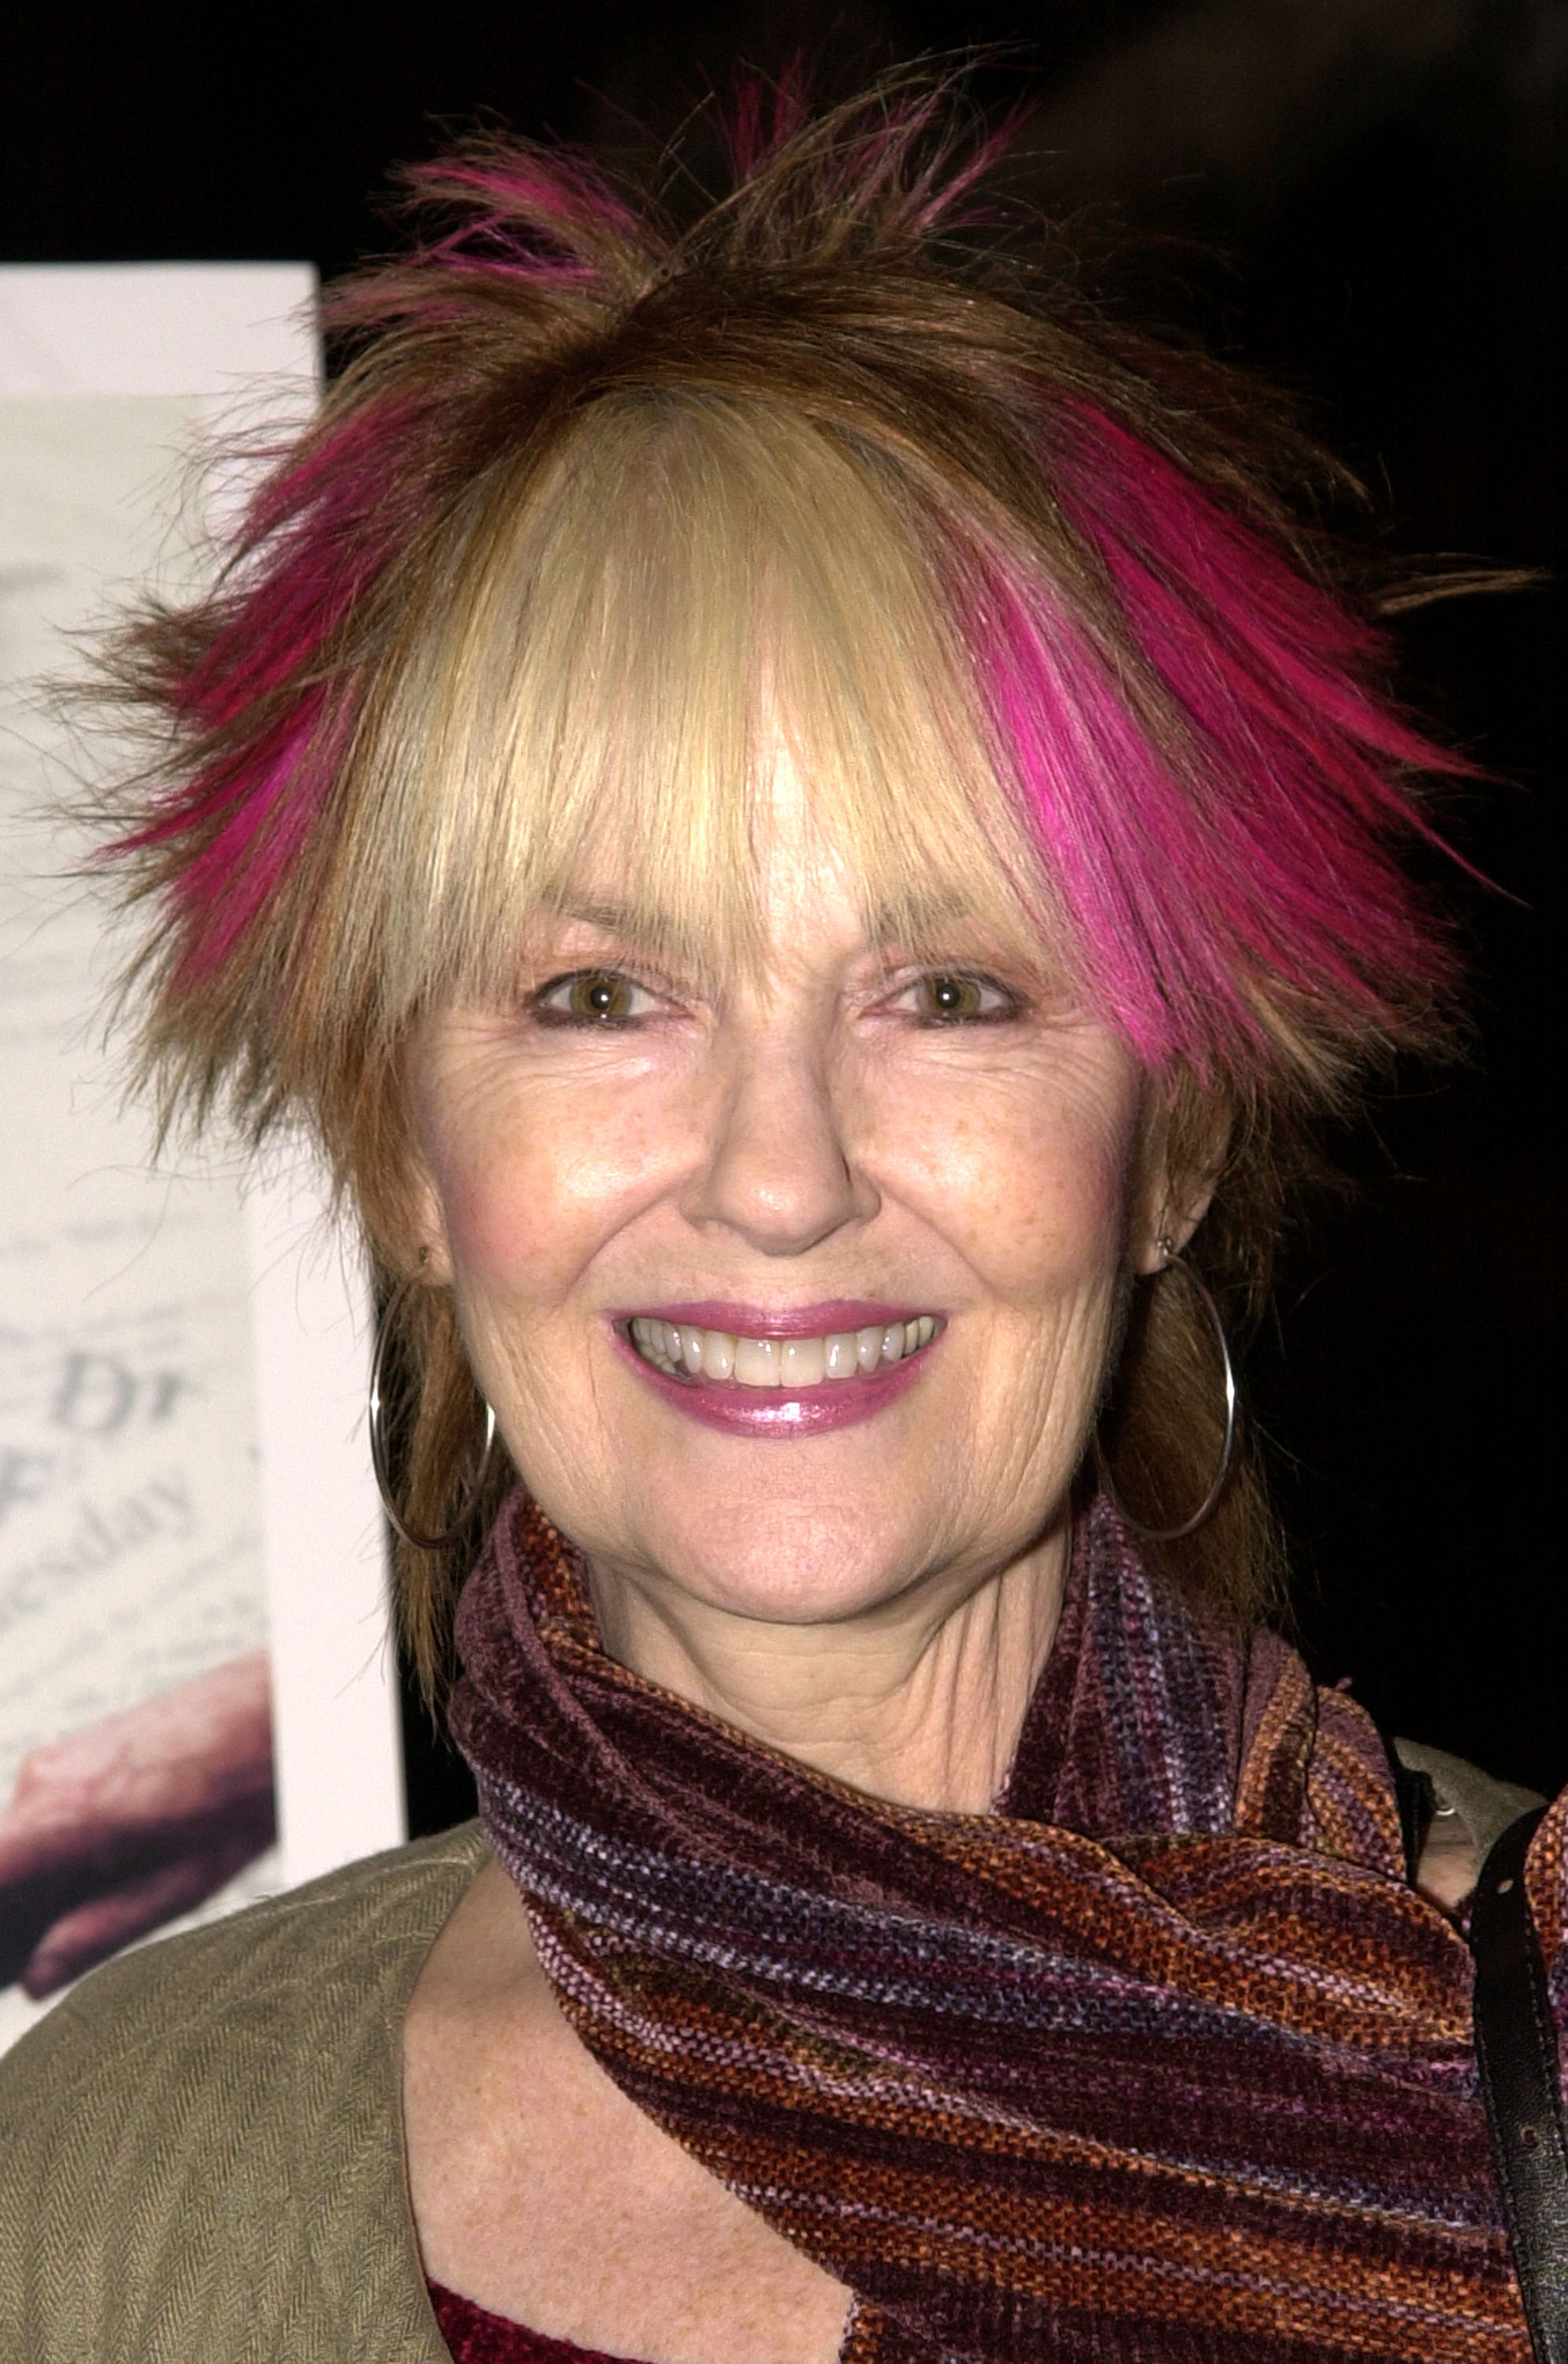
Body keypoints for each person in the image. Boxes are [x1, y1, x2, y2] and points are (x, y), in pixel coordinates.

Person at [0, 76, 1560, 2364]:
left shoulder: (1527, 2069)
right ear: (410, 1158)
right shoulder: (88, 2198)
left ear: (1178, 1142)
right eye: (599, 993)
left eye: (951, 990)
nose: (780, 1170)